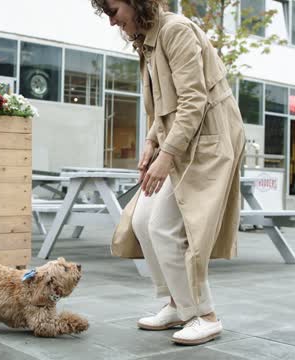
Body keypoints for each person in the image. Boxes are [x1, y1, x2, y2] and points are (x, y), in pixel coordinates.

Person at [91, 0, 245, 346]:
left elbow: (193, 100)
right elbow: (162, 104)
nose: (113, 22)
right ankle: (177, 304)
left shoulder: (174, 31)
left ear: (136, 3)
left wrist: (166, 155)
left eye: (114, 11)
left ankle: (204, 316)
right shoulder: (148, 39)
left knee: (166, 226)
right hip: (182, 140)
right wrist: (150, 142)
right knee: (143, 220)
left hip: (207, 141)